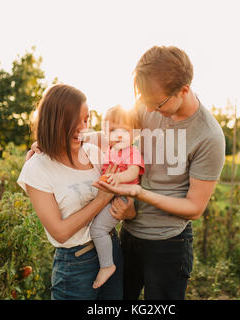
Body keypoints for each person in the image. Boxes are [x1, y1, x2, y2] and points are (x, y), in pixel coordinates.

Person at [93, 46, 226, 300]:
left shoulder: (209, 136)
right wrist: (60, 142)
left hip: (169, 245)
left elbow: (194, 208)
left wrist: (139, 192)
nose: (149, 110)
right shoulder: (149, 105)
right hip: (129, 233)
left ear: (184, 90)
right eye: (145, 101)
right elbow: (115, 135)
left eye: (158, 103)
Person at [17, 84, 124, 300]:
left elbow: (114, 137)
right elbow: (60, 232)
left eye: (86, 120)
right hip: (76, 266)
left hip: (111, 253)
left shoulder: (93, 153)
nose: (83, 127)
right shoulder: (37, 168)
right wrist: (102, 200)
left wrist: (125, 211)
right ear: (56, 122)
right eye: (74, 121)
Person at [90, 105, 145, 289]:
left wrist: (118, 178)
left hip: (121, 198)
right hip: (110, 195)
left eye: (125, 130)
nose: (119, 135)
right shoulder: (110, 151)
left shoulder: (132, 152)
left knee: (98, 229)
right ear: (105, 132)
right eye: (113, 130)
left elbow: (133, 172)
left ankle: (107, 265)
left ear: (134, 134)